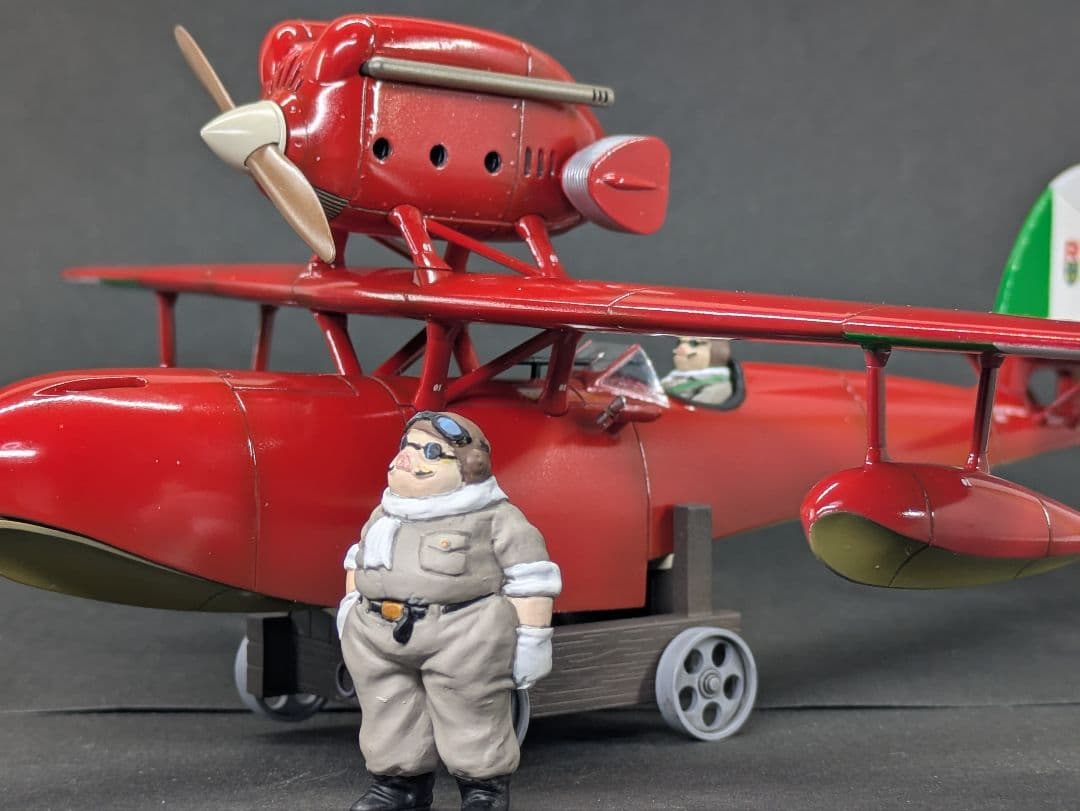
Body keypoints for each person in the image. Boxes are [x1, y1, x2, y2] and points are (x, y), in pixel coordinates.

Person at [337, 411, 561, 811]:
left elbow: (532, 579)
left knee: (471, 711)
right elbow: (357, 561)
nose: (408, 457)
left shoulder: (494, 518)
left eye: (429, 452)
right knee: (388, 710)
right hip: (378, 633)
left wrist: (531, 641)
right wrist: (350, 609)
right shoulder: (386, 514)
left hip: (463, 634)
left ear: (468, 466)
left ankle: (483, 791)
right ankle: (399, 788)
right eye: (407, 446)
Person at [660, 336, 735, 406]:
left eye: (694, 344)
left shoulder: (719, 387)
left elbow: (693, 411)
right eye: (679, 343)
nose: (678, 350)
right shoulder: (674, 378)